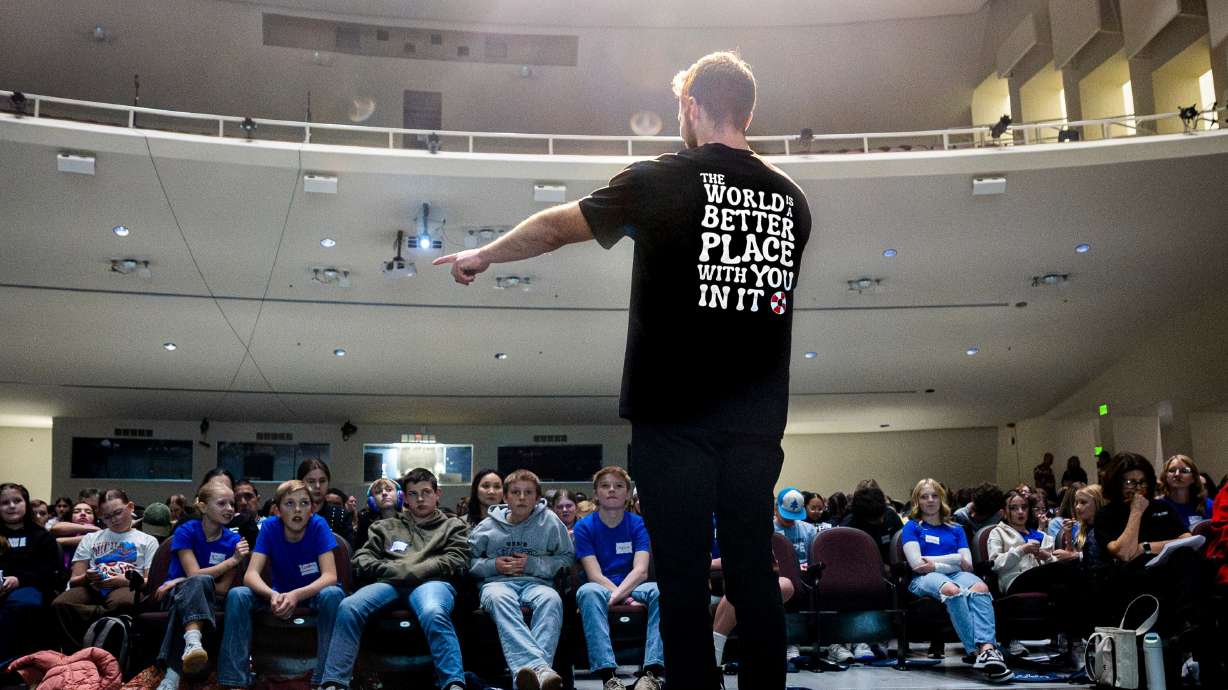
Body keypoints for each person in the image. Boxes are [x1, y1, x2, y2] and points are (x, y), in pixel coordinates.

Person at [435, 51, 810, 690]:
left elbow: (558, 228)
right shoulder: (792, 200)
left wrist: (484, 253)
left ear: (692, 106)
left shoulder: (662, 178)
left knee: (686, 574)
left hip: (675, 417)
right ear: (748, 110)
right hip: (756, 422)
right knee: (751, 568)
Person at [321, 469, 470, 690]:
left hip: (431, 583)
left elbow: (457, 558)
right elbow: (361, 558)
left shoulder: (453, 525)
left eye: (426, 492)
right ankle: (334, 682)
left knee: (433, 612)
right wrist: (395, 570)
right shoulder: (385, 526)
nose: (420, 499)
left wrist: (412, 570)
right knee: (349, 606)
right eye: (413, 494)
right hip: (390, 584)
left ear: (438, 493)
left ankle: (453, 683)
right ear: (405, 497)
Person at [1094, 453, 1210, 686]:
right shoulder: (1107, 515)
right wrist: (1136, 512)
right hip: (1129, 580)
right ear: (1117, 484)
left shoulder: (1162, 509)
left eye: (1142, 482)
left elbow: (1186, 538)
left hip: (1167, 575)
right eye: (1130, 482)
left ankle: (1190, 627)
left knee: (1191, 559)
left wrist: (1146, 547)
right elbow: (1124, 552)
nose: (1137, 488)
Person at [217, 480, 344, 690]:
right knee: (238, 594)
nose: (297, 510)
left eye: (304, 503)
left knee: (332, 594)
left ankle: (327, 680)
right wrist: (272, 595)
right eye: (290, 504)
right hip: (279, 593)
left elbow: (330, 576)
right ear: (277, 510)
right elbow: (251, 575)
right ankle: (235, 681)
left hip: (313, 593)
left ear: (311, 510)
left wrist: (295, 595)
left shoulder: (319, 525)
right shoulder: (269, 527)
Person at [468, 469, 573, 690]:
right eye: (516, 492)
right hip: (497, 584)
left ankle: (528, 678)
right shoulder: (487, 526)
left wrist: (534, 564)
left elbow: (566, 558)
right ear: (505, 497)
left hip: (538, 583)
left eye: (528, 492)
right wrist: (492, 565)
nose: (522, 497)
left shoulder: (551, 522)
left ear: (537, 497)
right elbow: (467, 563)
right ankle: (541, 671)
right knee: (499, 600)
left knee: (551, 600)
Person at [901, 479, 1012, 682]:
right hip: (924, 579)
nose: (930, 500)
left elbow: (967, 564)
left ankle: (988, 647)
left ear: (941, 499)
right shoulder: (912, 527)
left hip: (953, 574)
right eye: (924, 496)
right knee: (951, 590)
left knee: (980, 586)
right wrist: (954, 559)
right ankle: (977, 653)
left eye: (934, 495)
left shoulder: (956, 528)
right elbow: (917, 565)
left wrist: (935, 563)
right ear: (917, 501)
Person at [573, 467, 663, 690]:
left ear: (627, 493)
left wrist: (620, 596)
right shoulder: (584, 526)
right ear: (595, 494)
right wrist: (623, 598)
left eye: (618, 486)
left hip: (635, 585)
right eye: (605, 486)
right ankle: (609, 677)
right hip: (602, 586)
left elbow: (641, 571)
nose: (612, 490)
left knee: (661, 590)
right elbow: (594, 575)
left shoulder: (638, 524)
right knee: (587, 591)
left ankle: (651, 674)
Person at [154, 482, 249, 690]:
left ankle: (173, 674)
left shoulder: (233, 540)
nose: (230, 509)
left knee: (199, 585)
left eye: (232, 504)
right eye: (222, 503)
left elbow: (223, 589)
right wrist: (231, 561)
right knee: (194, 587)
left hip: (212, 600)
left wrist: (184, 578)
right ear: (204, 507)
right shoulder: (186, 530)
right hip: (174, 596)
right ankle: (191, 644)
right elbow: (194, 574)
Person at [52, 489, 160, 645]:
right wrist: (88, 577)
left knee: (122, 604)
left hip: (127, 586)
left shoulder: (147, 540)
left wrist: (124, 581)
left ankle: (103, 643)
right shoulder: (91, 538)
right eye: (107, 517)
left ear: (130, 507)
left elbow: (150, 582)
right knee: (60, 604)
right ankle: (76, 653)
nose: (114, 520)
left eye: (118, 513)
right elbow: (74, 581)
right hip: (93, 586)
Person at [0, 483, 63, 664]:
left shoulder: (41, 536)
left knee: (21, 605)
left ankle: (11, 661)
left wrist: (19, 579)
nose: (12, 506)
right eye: (5, 502)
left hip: (31, 587)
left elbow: (49, 570)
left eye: (17, 501)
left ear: (26, 504)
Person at [1156, 454, 1213, 529]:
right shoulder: (1157, 506)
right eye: (1172, 470)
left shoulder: (1208, 505)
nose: (1177, 474)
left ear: (1193, 477)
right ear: (1165, 476)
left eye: (1184, 470)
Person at [353, 477, 403, 551]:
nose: (384, 493)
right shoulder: (366, 522)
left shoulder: (410, 518)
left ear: (399, 495)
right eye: (378, 492)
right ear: (372, 500)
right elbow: (360, 550)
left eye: (389, 490)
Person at [773, 487, 817, 569]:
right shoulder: (768, 530)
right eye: (786, 516)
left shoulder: (809, 530)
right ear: (776, 509)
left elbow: (813, 563)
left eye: (794, 517)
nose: (790, 520)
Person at [229, 480, 263, 547]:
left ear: (258, 499)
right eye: (237, 498)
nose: (243, 502)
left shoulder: (270, 526)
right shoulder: (226, 528)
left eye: (248, 496)